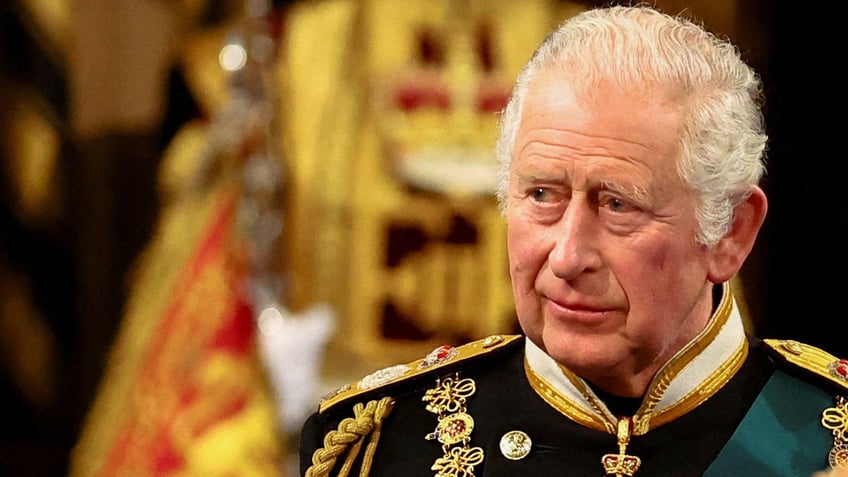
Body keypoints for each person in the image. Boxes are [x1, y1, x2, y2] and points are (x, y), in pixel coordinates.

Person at [298, 5, 848, 476]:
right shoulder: (381, 446)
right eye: (542, 195)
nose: (567, 257)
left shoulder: (831, 438)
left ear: (730, 231)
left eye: (617, 205)